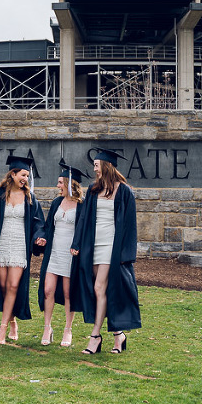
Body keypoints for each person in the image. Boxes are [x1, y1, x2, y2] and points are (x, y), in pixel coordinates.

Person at [70, 147, 141, 354]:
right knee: (99, 290)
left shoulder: (125, 191)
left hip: (112, 246)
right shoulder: (93, 189)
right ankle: (119, 335)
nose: (95, 169)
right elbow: (83, 219)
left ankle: (95, 337)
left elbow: (129, 224)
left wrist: (125, 254)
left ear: (107, 166)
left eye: (97, 165)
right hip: (94, 245)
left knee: (100, 288)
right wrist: (77, 243)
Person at [0, 155, 46, 344]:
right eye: (23, 175)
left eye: (27, 176)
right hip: (2, 243)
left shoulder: (30, 198)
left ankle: (2, 330)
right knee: (3, 287)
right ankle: (12, 321)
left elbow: (38, 222)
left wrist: (38, 236)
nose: (25, 179)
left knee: (13, 286)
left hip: (20, 245)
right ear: (12, 174)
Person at [36, 162, 88, 347]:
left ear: (69, 183)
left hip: (70, 254)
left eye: (60, 182)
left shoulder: (82, 205)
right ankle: (47, 327)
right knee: (48, 290)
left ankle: (68, 329)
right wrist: (42, 238)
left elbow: (84, 230)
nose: (57, 186)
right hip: (54, 252)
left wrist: (78, 246)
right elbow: (48, 226)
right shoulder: (57, 202)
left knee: (67, 293)